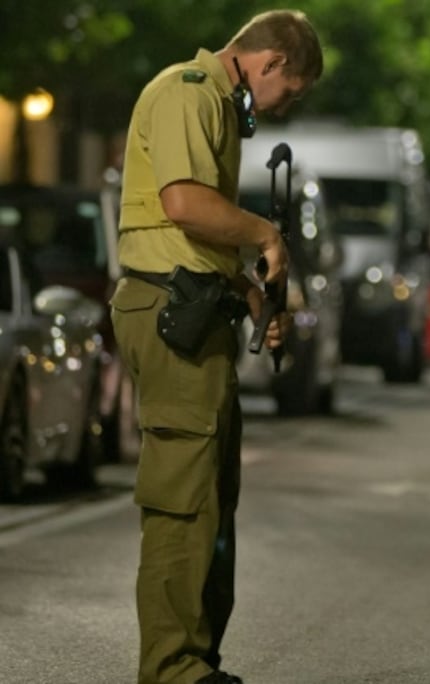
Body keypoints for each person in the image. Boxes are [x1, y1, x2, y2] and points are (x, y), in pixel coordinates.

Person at [108, 11, 322, 684]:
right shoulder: (189, 90)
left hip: (197, 309)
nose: (286, 106)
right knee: (183, 498)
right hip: (171, 313)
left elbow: (199, 240)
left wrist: (258, 300)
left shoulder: (216, 108)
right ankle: (173, 669)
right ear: (270, 63)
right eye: (291, 90)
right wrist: (265, 235)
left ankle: (195, 661)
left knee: (210, 499)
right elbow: (183, 205)